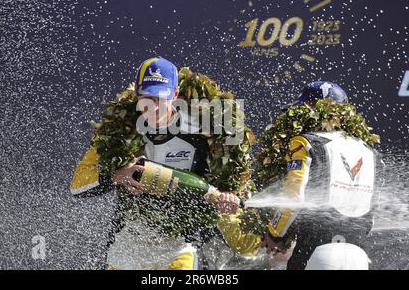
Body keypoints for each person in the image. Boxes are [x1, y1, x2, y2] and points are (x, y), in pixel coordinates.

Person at [70, 57, 252, 269]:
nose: (153, 107)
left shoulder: (205, 130)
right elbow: (77, 185)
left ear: (174, 95)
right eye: (146, 97)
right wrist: (117, 175)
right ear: (137, 95)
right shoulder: (118, 130)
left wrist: (229, 195)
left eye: (160, 98)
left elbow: (229, 181)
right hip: (128, 242)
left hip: (181, 244)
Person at [215, 81, 384, 270]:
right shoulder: (370, 153)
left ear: (312, 109)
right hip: (358, 256)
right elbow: (371, 218)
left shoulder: (305, 142)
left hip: (316, 255)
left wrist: (274, 235)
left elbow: (293, 198)